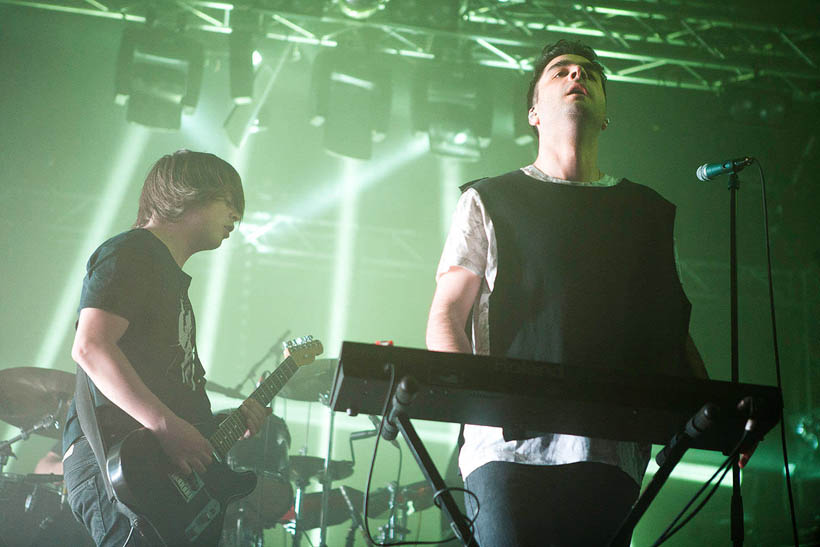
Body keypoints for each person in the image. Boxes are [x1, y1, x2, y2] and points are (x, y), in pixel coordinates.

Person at [425, 39, 727, 546]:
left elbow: (671, 332)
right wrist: (477, 407)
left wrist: (718, 417)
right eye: (560, 71)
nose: (576, 76)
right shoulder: (490, 199)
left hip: (610, 452)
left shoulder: (644, 212)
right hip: (508, 450)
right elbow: (446, 316)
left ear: (606, 116)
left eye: (590, 72)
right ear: (534, 113)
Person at [61, 150, 270, 546]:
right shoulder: (133, 251)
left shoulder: (168, 276)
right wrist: (165, 426)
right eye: (229, 202)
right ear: (188, 193)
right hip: (122, 463)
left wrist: (219, 425)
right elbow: (91, 346)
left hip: (156, 467)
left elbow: (170, 388)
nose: (236, 217)